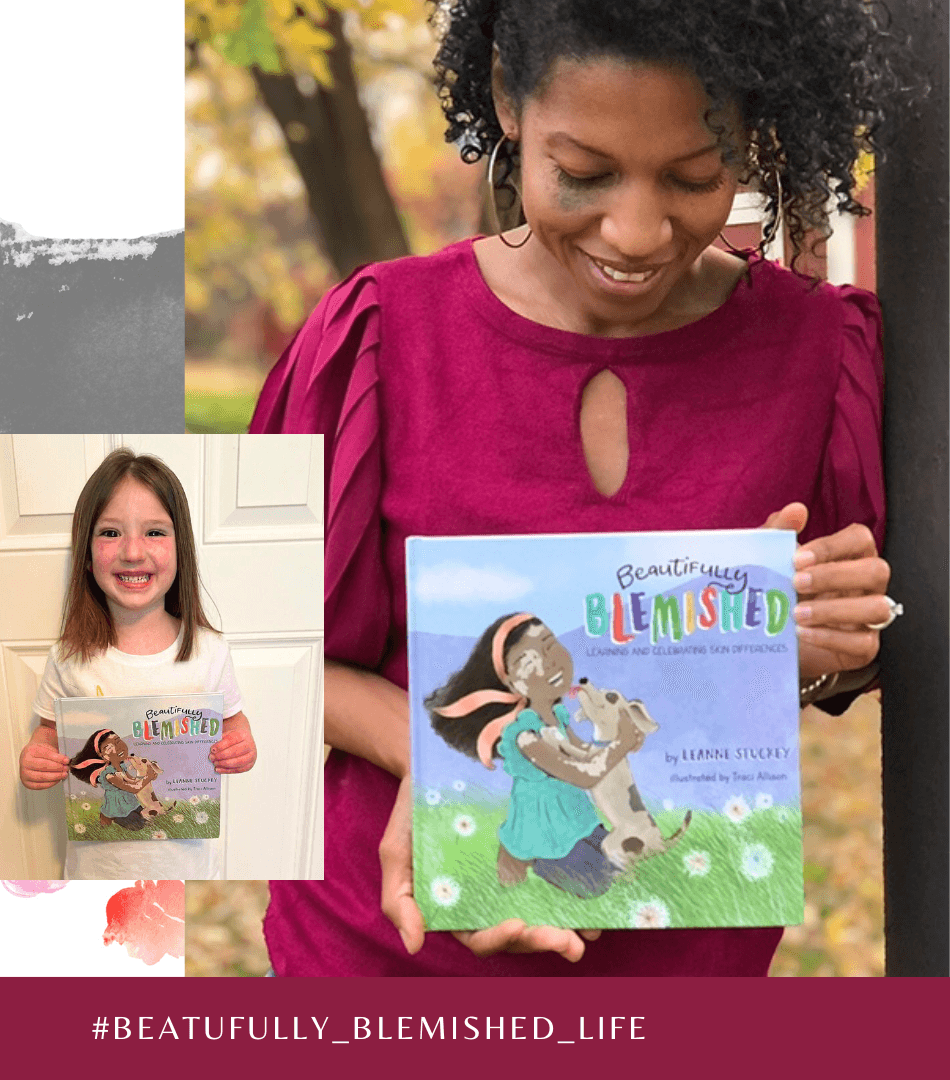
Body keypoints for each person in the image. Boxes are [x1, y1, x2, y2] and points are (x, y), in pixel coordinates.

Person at [250, 0, 910, 974]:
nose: (638, 232)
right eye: (586, 173)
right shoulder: (380, 338)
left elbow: (857, 661)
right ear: (508, 102)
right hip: (381, 958)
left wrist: (819, 642)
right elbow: (248, 653)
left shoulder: (827, 356)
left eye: (695, 177)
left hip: (681, 983)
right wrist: (439, 764)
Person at [18, 448, 258, 879]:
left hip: (188, 872)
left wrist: (241, 747)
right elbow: (49, 733)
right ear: (87, 556)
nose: (132, 551)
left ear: (180, 548)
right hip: (95, 874)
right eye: (110, 532)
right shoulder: (69, 657)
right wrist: (37, 757)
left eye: (154, 533)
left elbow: (234, 723)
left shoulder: (209, 650)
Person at [427, 612, 644, 898]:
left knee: (631, 869)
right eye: (528, 662)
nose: (549, 661)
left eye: (550, 644)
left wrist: (616, 740)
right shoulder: (525, 736)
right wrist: (620, 746)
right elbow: (580, 774)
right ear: (512, 685)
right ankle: (531, 858)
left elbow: (583, 755)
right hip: (544, 833)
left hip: (575, 818)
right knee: (599, 888)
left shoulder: (558, 715)